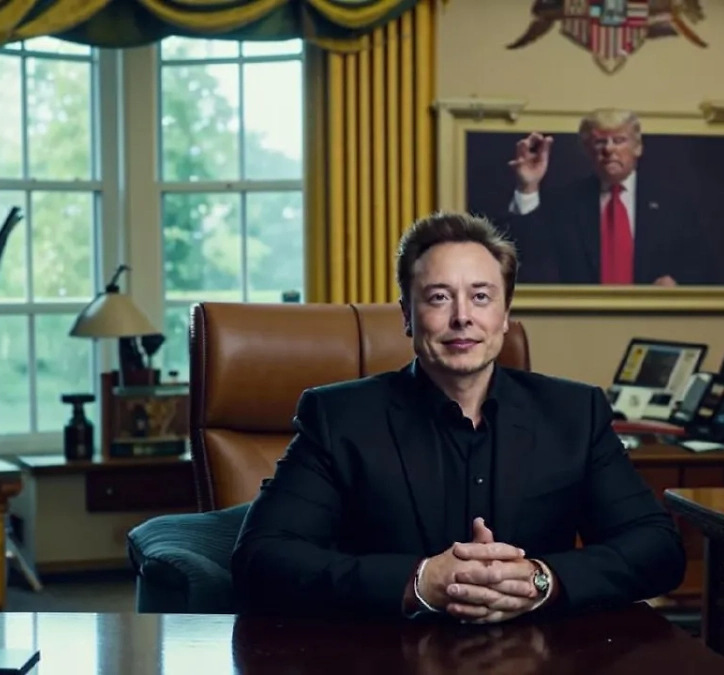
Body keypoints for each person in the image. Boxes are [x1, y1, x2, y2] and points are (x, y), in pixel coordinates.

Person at [232, 212, 685, 623]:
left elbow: (658, 548)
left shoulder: (574, 413)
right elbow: (261, 558)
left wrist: (540, 580)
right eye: (438, 298)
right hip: (384, 655)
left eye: (481, 296)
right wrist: (419, 582)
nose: (462, 317)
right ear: (407, 315)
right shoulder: (339, 419)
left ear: (505, 315)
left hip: (539, 655)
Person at [502, 108, 710, 286]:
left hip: (653, 315)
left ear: (638, 147)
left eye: (619, 140)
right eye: (600, 142)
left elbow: (702, 268)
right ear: (587, 150)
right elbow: (528, 257)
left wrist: (678, 283)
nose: (609, 149)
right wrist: (528, 186)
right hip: (581, 316)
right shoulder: (564, 204)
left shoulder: (673, 205)